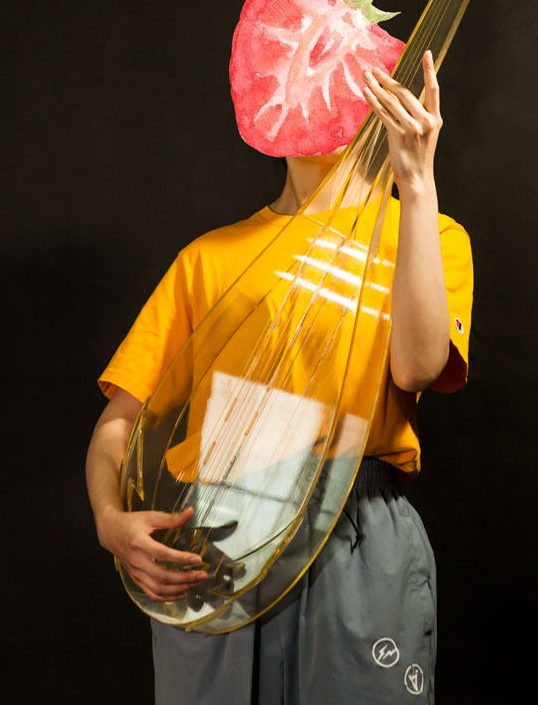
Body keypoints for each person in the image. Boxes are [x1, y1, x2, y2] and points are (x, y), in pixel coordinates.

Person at [86, 50, 473, 703]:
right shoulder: (207, 258)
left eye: (345, 76)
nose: (322, 91)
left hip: (355, 535)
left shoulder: (429, 232)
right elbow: (118, 422)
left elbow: (417, 367)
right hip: (213, 545)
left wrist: (417, 184)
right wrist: (108, 518)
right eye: (301, 71)